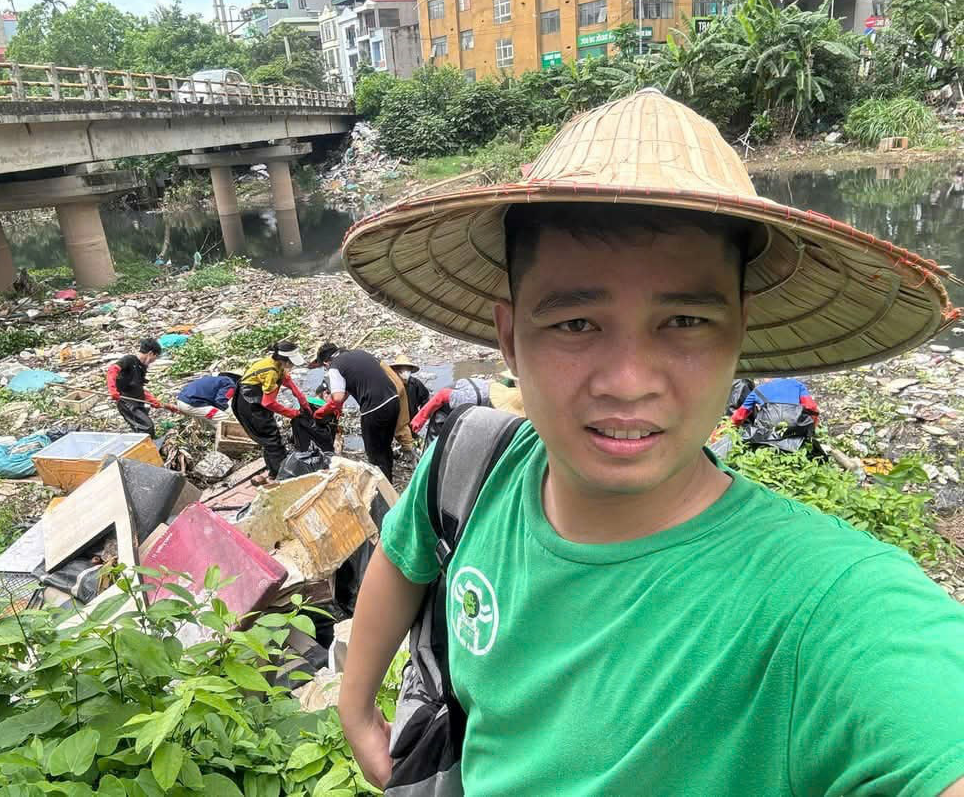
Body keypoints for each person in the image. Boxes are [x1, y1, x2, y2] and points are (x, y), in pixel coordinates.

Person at [336, 90, 964, 795]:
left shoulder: (829, 603)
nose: (629, 383)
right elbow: (403, 552)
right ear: (509, 337)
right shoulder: (475, 462)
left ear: (740, 331)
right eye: (576, 324)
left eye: (687, 321)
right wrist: (356, 704)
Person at [231, 340, 329, 481]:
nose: (293, 365)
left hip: (257, 399)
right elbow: (268, 402)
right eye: (292, 362)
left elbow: (287, 380)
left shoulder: (277, 364)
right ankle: (282, 476)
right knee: (271, 440)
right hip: (249, 403)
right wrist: (292, 413)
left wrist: (301, 399)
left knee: (270, 438)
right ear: (285, 360)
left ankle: (274, 471)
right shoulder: (270, 371)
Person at [312, 342, 400, 481]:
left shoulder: (334, 367)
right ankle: (388, 484)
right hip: (394, 400)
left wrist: (321, 412)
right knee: (385, 447)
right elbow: (346, 392)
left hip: (374, 408)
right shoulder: (360, 353)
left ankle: (381, 492)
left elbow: (338, 398)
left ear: (326, 362)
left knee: (375, 453)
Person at [106, 337, 165, 437]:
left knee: (144, 427)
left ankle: (147, 446)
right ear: (151, 353)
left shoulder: (142, 366)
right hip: (127, 402)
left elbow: (138, 386)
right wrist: (112, 390)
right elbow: (112, 370)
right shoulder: (129, 360)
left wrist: (152, 400)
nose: (152, 362)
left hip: (138, 401)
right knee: (147, 427)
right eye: (154, 358)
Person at [409, 376, 492, 440]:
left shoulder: (494, 398)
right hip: (445, 404)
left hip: (468, 395)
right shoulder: (466, 399)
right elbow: (441, 395)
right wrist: (420, 419)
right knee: (438, 437)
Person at [730, 377, 819, 426]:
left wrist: (721, 431)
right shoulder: (797, 384)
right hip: (795, 428)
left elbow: (739, 416)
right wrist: (813, 427)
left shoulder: (758, 390)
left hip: (767, 432)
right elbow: (811, 407)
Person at [389, 354, 431, 419]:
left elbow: (425, 399)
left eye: (407, 369)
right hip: (396, 421)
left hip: (412, 419)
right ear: (396, 370)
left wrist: (421, 416)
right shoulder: (391, 385)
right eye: (401, 369)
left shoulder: (415, 383)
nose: (405, 372)